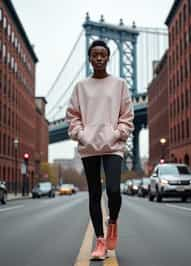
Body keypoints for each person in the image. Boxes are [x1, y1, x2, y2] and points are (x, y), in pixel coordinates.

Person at [66, 40, 134, 260]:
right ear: (90, 58)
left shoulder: (120, 84)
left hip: (113, 146)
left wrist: (117, 134)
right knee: (94, 194)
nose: (98, 58)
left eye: (102, 55)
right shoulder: (80, 87)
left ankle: (112, 221)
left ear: (108, 58)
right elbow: (72, 116)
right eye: (94, 55)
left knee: (113, 189)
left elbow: (127, 116)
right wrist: (82, 135)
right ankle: (100, 241)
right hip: (89, 149)